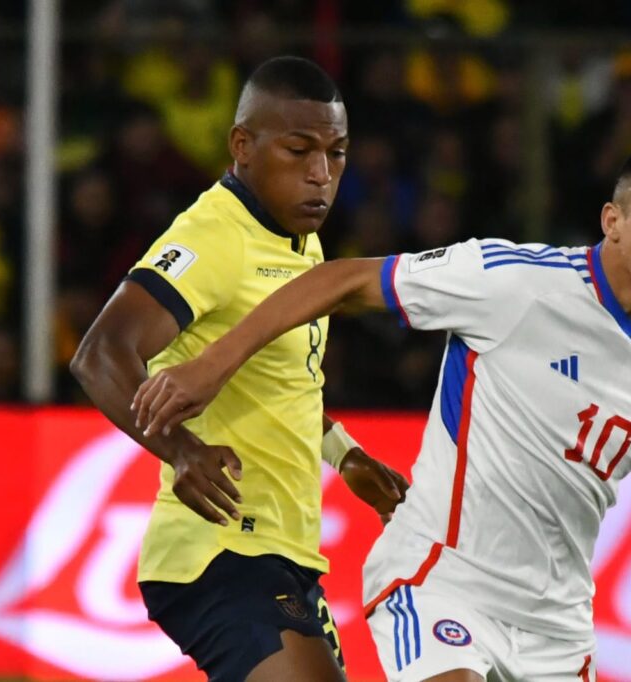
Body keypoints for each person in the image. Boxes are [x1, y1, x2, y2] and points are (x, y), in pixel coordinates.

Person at [132, 141, 631, 681]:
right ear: (613, 222)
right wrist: (214, 363)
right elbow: (342, 280)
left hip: (559, 627)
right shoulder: (513, 283)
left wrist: (340, 449)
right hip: (443, 582)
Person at [71, 56, 408, 682]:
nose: (320, 174)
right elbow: (100, 354)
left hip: (282, 554)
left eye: (336, 153)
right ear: (242, 146)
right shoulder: (214, 237)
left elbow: (284, 382)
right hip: (220, 552)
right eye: (299, 150)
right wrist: (182, 450)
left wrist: (345, 456)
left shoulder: (295, 234)